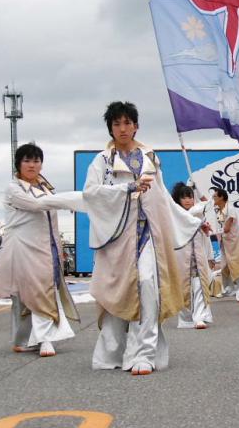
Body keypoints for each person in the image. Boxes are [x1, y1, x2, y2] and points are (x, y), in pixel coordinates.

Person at [83, 101, 202, 375]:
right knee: (118, 295)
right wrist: (127, 188)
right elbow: (91, 194)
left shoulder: (150, 157)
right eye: (116, 124)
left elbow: (160, 196)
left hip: (148, 234)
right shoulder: (102, 160)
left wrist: (190, 217)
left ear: (136, 125)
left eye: (127, 123)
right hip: (116, 236)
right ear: (110, 128)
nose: (122, 129)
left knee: (148, 287)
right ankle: (111, 353)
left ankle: (143, 354)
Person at [0, 143, 82, 357]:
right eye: (27, 161)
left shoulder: (45, 187)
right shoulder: (14, 189)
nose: (32, 165)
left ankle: (24, 339)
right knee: (33, 292)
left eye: (36, 161)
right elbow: (37, 205)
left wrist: (58, 248)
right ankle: (44, 340)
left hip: (45, 248)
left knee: (30, 294)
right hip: (21, 248)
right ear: (18, 164)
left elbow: (50, 218)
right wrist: (77, 200)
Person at [171, 182, 214, 329]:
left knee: (200, 285)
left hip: (198, 256)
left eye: (190, 196)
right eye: (184, 197)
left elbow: (206, 237)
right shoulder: (175, 215)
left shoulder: (197, 215)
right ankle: (185, 319)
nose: (188, 200)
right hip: (181, 257)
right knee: (183, 287)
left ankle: (200, 318)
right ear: (178, 199)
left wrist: (210, 256)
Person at [213, 188, 239, 302]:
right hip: (225, 245)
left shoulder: (231, 209)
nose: (213, 198)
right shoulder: (218, 210)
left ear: (221, 197)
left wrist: (212, 232)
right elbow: (204, 201)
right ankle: (231, 289)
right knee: (224, 267)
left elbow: (227, 228)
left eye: (215, 196)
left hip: (235, 244)